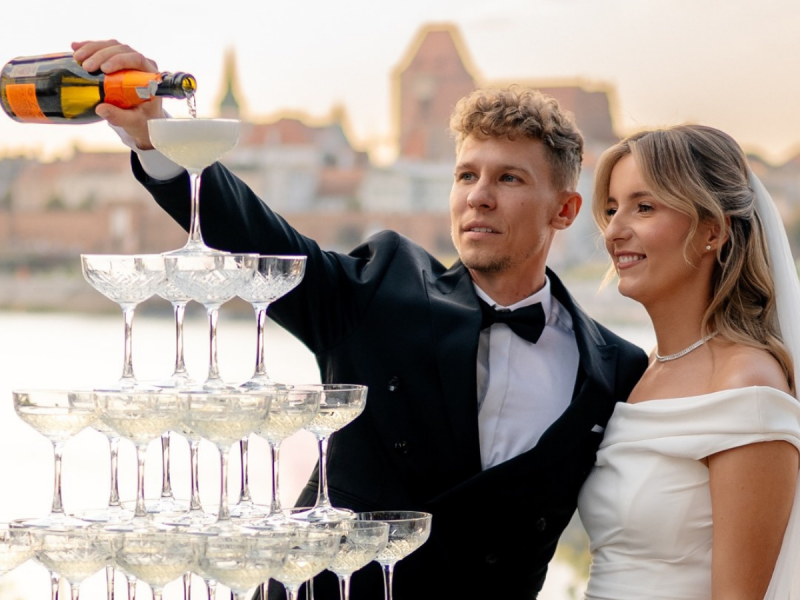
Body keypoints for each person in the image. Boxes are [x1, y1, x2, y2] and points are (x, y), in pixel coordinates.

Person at [73, 39, 648, 599]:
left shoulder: (614, 369)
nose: (479, 196)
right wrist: (155, 135)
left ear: (565, 209)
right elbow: (258, 237)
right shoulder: (379, 292)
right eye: (466, 175)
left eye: (509, 178)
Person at [579, 124, 800, 600]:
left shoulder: (746, 386)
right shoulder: (639, 373)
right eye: (612, 209)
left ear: (712, 231)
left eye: (644, 207)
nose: (614, 231)